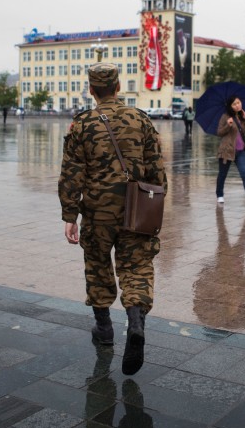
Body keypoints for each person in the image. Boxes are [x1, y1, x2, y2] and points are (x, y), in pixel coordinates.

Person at [59, 63, 168, 375]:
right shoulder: (141, 119)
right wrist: (156, 204)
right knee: (136, 267)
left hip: (97, 212)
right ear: (119, 87)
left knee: (97, 266)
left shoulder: (82, 123)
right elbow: (157, 170)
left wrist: (70, 214)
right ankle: (135, 322)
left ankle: (104, 329)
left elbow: (71, 174)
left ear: (92, 90)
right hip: (136, 209)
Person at [215, 96, 245, 207]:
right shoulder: (225, 117)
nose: (238, 105)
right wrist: (228, 125)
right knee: (222, 174)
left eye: (239, 102)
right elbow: (219, 132)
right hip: (227, 151)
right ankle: (220, 194)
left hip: (241, 151)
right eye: (234, 104)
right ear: (230, 106)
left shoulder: (242, 117)